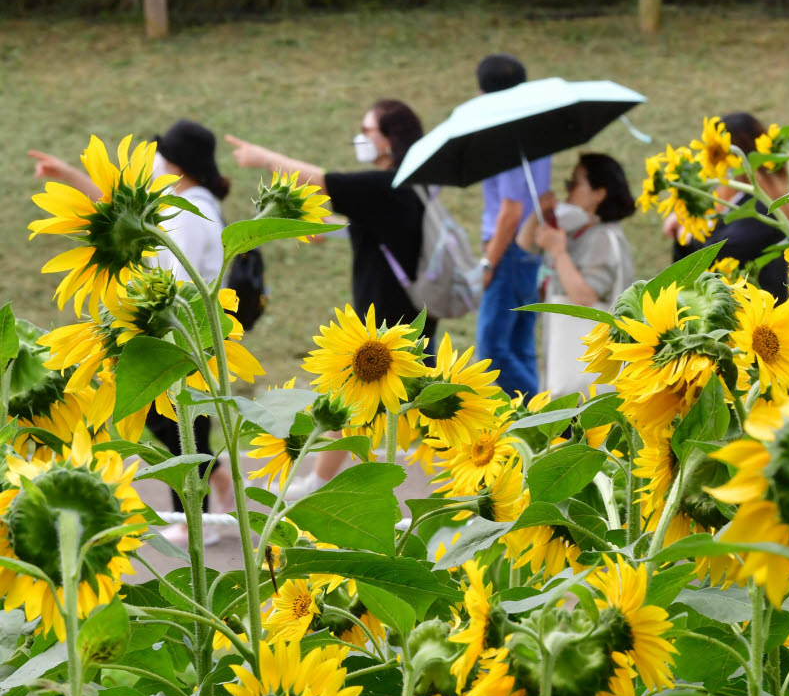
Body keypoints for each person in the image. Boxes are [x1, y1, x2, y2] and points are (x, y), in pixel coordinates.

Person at [29, 119, 236, 545]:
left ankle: (196, 524)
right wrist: (68, 175)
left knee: (180, 421)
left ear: (176, 163)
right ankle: (211, 486)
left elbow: (175, 280)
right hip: (173, 329)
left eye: (160, 154)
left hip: (179, 330)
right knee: (173, 419)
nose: (154, 160)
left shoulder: (188, 211)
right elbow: (113, 212)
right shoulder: (178, 203)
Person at [226, 98, 436, 495]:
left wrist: (261, 157)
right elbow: (365, 221)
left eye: (368, 130)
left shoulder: (388, 184)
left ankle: (322, 484)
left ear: (390, 139)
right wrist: (325, 225)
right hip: (399, 306)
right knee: (366, 399)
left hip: (389, 319)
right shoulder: (405, 186)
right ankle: (320, 480)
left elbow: (321, 181)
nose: (360, 137)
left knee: (362, 393)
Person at [517, 152, 635, 399]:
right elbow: (525, 242)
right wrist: (538, 211)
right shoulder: (577, 230)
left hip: (590, 382)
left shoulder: (605, 238)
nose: (568, 189)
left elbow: (585, 297)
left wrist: (558, 252)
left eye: (575, 183)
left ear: (598, 194)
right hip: (570, 374)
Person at [474, 54, 551, 400]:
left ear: (483, 90)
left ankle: (552, 420)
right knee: (521, 347)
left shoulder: (503, 135)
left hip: (507, 249)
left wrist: (489, 262)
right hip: (530, 247)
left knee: (491, 354)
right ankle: (536, 431)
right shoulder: (536, 130)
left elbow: (510, 209)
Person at [666, 112, 789, 301]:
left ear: (733, 156)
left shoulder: (766, 208)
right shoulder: (733, 197)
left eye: (715, 153)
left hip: (759, 316)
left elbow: (719, 252)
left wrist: (688, 235)